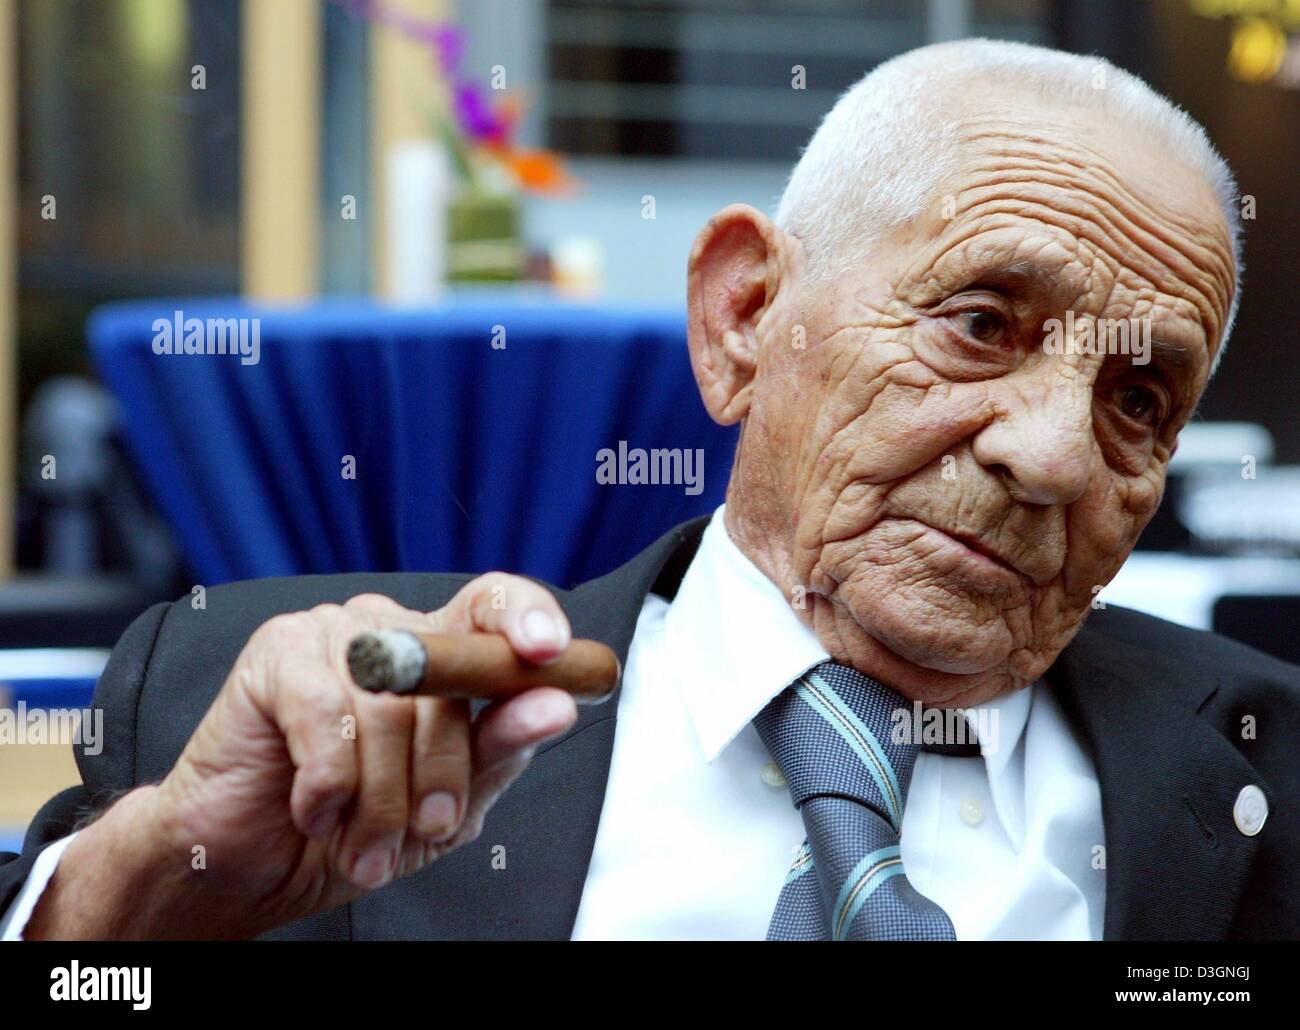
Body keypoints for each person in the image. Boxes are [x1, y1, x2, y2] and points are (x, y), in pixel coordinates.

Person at [3, 39, 1295, 940]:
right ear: (745, 315)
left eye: (1140, 400)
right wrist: (152, 890)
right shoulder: (273, 725)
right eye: (980, 324)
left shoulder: (1265, 780)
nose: (1054, 455)